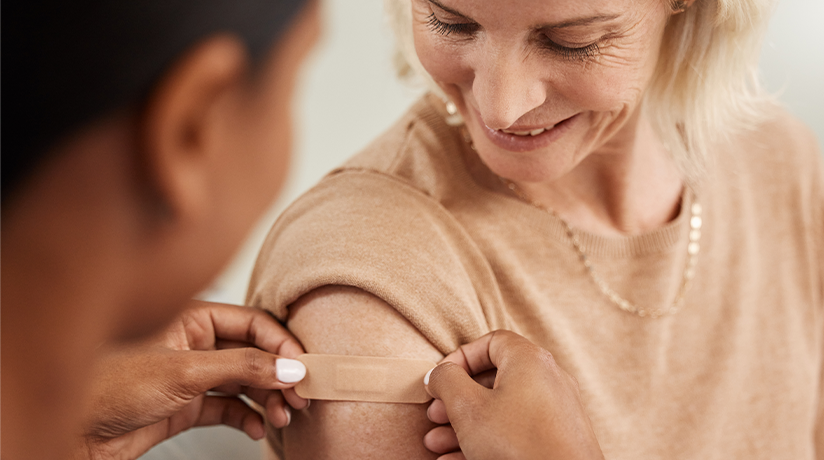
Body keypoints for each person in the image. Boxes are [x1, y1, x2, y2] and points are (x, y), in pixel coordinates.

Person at [246, 0, 824, 459]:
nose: (501, 106)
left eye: (572, 41)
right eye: (453, 23)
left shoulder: (777, 163)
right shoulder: (368, 272)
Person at [1, 1, 605, 459]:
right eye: (296, 80)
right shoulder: (363, 251)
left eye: (572, 39)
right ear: (191, 127)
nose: (500, 109)